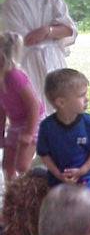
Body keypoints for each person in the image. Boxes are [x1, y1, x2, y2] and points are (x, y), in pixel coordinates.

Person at [36, 68, 90, 235]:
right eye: (82, 95)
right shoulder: (47, 127)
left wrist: (83, 170)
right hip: (60, 176)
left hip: (87, 173)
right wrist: (57, 173)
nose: (87, 99)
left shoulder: (89, 122)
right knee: (59, 210)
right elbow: (44, 154)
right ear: (61, 102)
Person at [0, 0, 77, 115]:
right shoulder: (11, 5)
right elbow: (24, 39)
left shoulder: (52, 0)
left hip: (53, 60)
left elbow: (68, 30)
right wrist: (51, 32)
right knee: (35, 108)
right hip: (29, 63)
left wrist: (47, 30)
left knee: (61, 106)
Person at [0, 32, 45, 182]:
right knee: (7, 165)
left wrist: (29, 133)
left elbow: (34, 106)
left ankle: (31, 186)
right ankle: (12, 191)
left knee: (22, 165)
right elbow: (1, 110)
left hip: (32, 121)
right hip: (15, 123)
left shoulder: (15, 76)